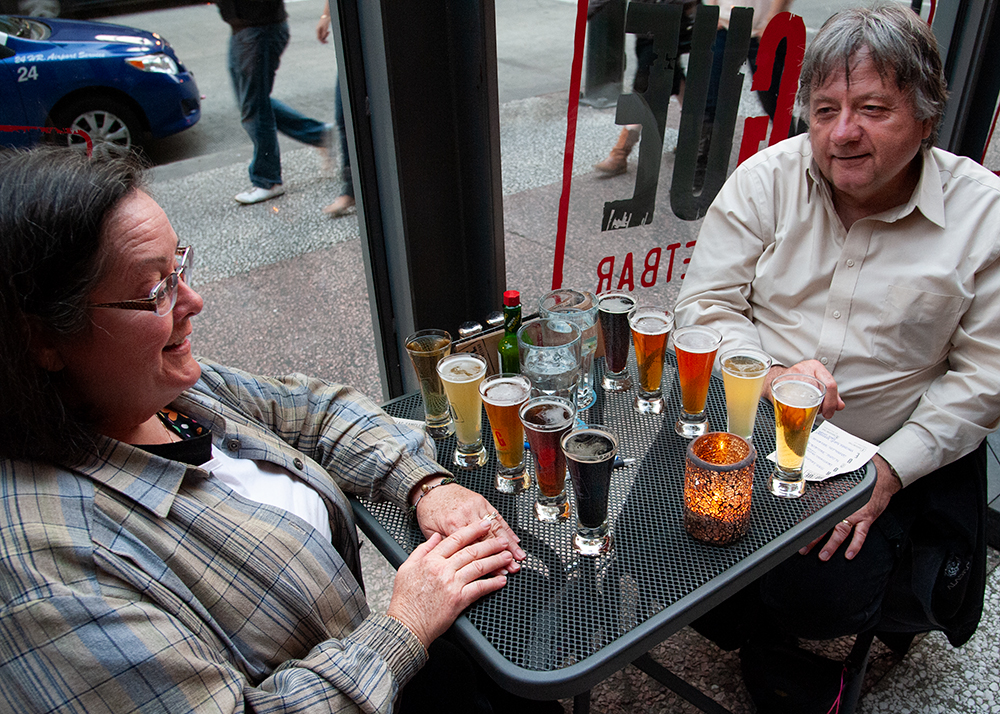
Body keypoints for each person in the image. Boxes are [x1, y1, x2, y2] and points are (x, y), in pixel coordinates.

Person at [0, 147, 561, 713]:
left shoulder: (169, 392)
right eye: (154, 291)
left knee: (537, 633)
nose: (194, 301)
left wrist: (423, 485)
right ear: (42, 340)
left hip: (368, 666)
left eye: (179, 269)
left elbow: (315, 409)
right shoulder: (50, 577)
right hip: (366, 675)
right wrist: (405, 624)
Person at [674, 2, 1000, 707]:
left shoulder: (984, 215)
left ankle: (806, 655)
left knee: (821, 588)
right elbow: (703, 308)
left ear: (926, 114)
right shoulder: (768, 179)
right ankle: (750, 633)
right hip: (746, 422)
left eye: (873, 108)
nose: (843, 133)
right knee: (667, 541)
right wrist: (768, 376)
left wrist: (888, 470)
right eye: (825, 110)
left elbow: (985, 376)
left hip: (873, 452)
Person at [218, 0, 333, 204]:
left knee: (253, 107)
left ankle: (268, 180)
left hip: (257, 29)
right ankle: (320, 134)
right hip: (246, 29)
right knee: (253, 104)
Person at [316, 2, 357, 217]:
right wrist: (326, 15)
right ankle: (351, 188)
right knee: (346, 116)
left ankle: (353, 188)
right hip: (355, 28)